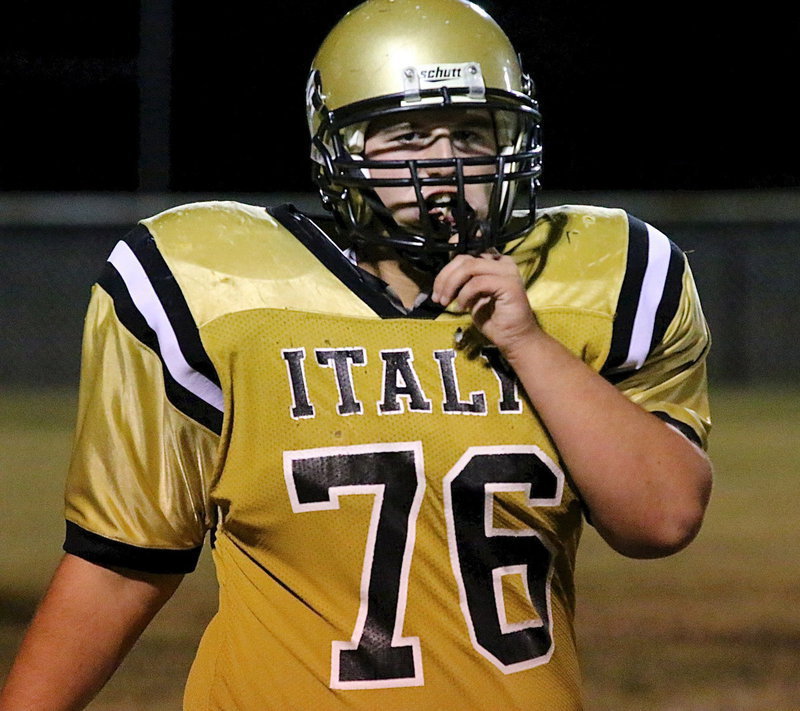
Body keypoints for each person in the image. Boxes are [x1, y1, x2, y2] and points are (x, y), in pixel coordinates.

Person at [0, 0, 712, 709]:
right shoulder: (218, 290)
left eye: (471, 134)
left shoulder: (597, 279)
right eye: (407, 136)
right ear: (342, 147)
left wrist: (527, 340)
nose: (444, 166)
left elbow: (661, 518)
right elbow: (122, 563)